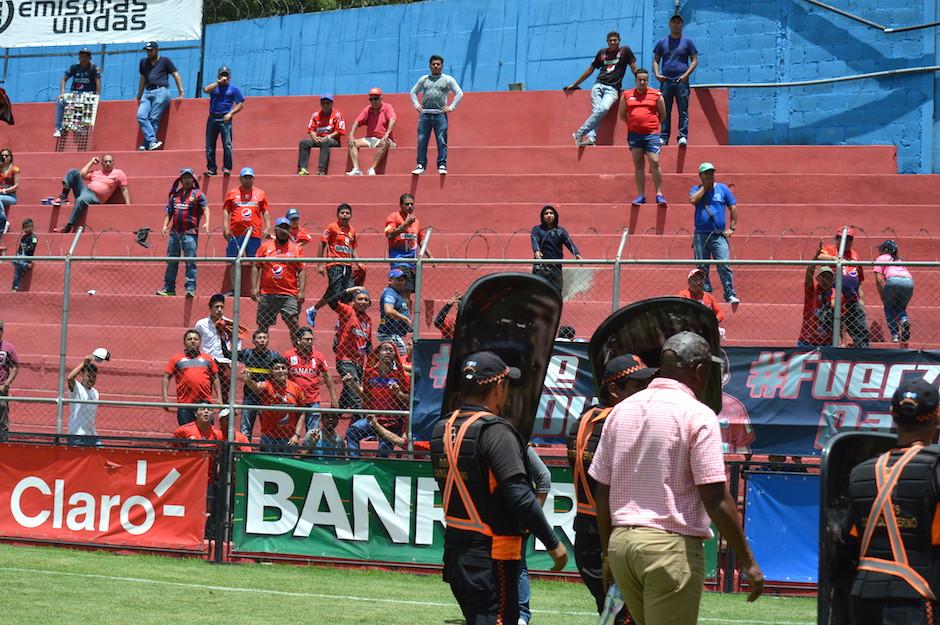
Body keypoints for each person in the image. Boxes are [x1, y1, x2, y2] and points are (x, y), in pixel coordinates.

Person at [589, 332, 763, 624]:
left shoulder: (621, 411)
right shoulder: (697, 414)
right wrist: (748, 560)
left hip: (622, 545)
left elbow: (602, 492)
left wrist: (608, 554)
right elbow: (715, 498)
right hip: (669, 548)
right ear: (700, 370)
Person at [430, 351, 567, 625]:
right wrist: (553, 544)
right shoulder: (496, 431)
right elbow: (519, 495)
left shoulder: (442, 428)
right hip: (493, 556)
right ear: (498, 387)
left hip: (457, 551)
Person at [568, 354, 656, 623]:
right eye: (637, 386)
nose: (646, 392)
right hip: (614, 533)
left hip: (586, 533)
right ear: (614, 390)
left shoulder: (584, 419)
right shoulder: (620, 424)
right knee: (629, 616)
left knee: (615, 614)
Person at [845, 377, 940, 625]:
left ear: (893, 415)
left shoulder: (860, 472)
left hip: (863, 598)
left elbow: (847, 543)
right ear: (937, 417)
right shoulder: (936, 468)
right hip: (917, 600)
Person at [565, 31, 637, 147]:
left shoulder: (625, 51)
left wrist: (642, 84)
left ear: (619, 41)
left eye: (615, 40)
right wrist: (575, 84)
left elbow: (634, 68)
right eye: (610, 40)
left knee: (603, 108)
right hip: (598, 86)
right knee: (597, 112)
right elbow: (590, 70)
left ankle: (580, 132)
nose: (613, 42)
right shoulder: (602, 53)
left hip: (612, 88)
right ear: (607, 41)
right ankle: (591, 139)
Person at [309, 285, 373, 414]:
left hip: (359, 363)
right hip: (345, 360)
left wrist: (371, 363)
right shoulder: (348, 311)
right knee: (355, 396)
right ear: (353, 301)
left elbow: (368, 344)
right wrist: (348, 291)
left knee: (347, 394)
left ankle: (334, 417)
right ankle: (359, 421)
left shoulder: (368, 320)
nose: (363, 302)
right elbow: (332, 302)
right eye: (360, 299)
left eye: (366, 300)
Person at [344, 341, 410, 456]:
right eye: (385, 349)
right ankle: (355, 462)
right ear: (378, 354)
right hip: (373, 419)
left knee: (382, 452)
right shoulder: (370, 374)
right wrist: (352, 384)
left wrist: (398, 393)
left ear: (395, 355)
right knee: (352, 433)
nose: (388, 352)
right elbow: (365, 395)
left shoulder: (401, 376)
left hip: (392, 424)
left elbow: (409, 399)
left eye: (391, 350)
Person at [690, 162, 739, 306]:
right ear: (700, 176)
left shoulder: (722, 189)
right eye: (706, 174)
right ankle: (705, 294)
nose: (710, 176)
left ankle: (730, 293)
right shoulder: (696, 189)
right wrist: (704, 188)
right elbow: (693, 200)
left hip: (718, 235)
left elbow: (733, 207)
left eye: (711, 173)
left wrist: (732, 228)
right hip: (701, 235)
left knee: (724, 264)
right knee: (702, 267)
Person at [156, 168, 209, 297]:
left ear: (193, 179)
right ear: (180, 180)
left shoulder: (198, 194)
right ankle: (169, 288)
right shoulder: (175, 195)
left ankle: (190, 288)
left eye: (189, 177)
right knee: (172, 261)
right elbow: (169, 212)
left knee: (190, 261)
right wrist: (164, 226)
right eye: (184, 178)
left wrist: (207, 222)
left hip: (190, 234)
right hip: (174, 233)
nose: (187, 180)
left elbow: (206, 208)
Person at [410, 54, 464, 175]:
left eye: (438, 64)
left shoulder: (447, 79)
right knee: (422, 141)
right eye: (433, 64)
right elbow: (413, 92)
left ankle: (442, 165)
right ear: (429, 66)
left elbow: (459, 93)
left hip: (440, 115)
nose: (435, 66)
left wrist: (451, 107)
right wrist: (416, 105)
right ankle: (421, 165)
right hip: (425, 115)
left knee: (441, 140)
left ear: (442, 66)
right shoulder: (424, 79)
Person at [307, 203, 360, 326]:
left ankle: (340, 317)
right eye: (342, 213)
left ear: (351, 215)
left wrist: (359, 262)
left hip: (347, 265)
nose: (345, 215)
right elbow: (322, 244)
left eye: (347, 213)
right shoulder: (332, 227)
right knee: (335, 293)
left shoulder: (352, 230)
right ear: (337, 215)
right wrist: (319, 264)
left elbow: (352, 249)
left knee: (347, 293)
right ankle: (316, 310)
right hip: (335, 264)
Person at [620, 69, 666, 207]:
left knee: (655, 161)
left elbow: (663, 114)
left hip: (651, 134)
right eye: (639, 80)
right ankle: (641, 195)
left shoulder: (656, 94)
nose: (642, 82)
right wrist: (633, 123)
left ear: (647, 80)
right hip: (634, 135)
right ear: (635, 81)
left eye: (645, 80)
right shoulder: (627, 95)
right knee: (639, 165)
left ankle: (659, 194)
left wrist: (652, 125)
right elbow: (622, 115)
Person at [50, 154, 130, 233]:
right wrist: (91, 162)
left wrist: (128, 205)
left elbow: (124, 189)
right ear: (102, 163)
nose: (108, 163)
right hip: (85, 190)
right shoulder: (97, 172)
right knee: (73, 172)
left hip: (95, 197)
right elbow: (82, 175)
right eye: (105, 161)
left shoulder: (118, 173)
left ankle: (68, 226)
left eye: (110, 161)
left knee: (81, 199)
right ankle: (63, 197)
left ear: (113, 162)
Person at [241, 356, 306, 451]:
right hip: (269, 437)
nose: (280, 371)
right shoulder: (267, 385)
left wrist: (297, 435)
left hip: (289, 437)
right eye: (276, 368)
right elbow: (256, 387)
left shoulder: (296, 388)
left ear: (287, 371)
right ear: (271, 372)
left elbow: (302, 412)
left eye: (283, 368)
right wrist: (248, 380)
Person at [253, 217, 306, 334]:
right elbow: (256, 266)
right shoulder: (265, 246)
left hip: (289, 293)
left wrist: (301, 291)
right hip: (267, 293)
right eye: (280, 228)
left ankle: (297, 346)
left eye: (286, 228)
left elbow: (301, 270)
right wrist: (254, 288)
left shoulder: (296, 249)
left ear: (290, 230)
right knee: (263, 326)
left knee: (293, 323)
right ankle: (262, 346)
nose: (283, 231)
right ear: (275, 230)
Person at [518, 445, 552, 625]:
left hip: (516, 517)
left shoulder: (521, 445)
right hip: (493, 516)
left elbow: (544, 477)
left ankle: (522, 614)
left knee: (518, 564)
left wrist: (532, 516)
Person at [818, 227, 868, 347]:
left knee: (860, 329)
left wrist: (862, 301)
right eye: (843, 238)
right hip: (834, 298)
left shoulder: (855, 255)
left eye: (850, 239)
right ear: (837, 239)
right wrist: (834, 259)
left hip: (851, 299)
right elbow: (820, 257)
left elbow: (859, 280)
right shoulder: (830, 250)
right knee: (833, 326)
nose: (846, 241)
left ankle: (862, 351)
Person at [653, 14, 698, 147]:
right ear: (670, 24)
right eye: (674, 22)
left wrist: (686, 75)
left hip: (681, 81)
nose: (676, 24)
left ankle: (683, 136)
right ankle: (663, 137)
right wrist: (657, 74)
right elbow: (656, 60)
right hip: (666, 81)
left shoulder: (688, 42)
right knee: (665, 109)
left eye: (678, 22)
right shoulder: (662, 42)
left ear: (682, 25)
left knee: (683, 110)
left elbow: (694, 60)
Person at [162, 329, 222, 426]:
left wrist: (219, 398)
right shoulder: (176, 358)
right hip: (185, 404)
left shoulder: (208, 358)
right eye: (189, 339)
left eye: (195, 339)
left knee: (207, 433)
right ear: (184, 342)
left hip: (205, 404)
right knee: (187, 433)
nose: (193, 341)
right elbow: (166, 377)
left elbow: (215, 378)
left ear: (200, 342)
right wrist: (165, 398)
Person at [284, 326, 338, 433]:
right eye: (307, 339)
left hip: (312, 400)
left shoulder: (318, 356)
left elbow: (327, 377)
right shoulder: (288, 356)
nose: (310, 342)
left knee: (313, 433)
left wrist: (334, 397)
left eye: (311, 339)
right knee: (291, 431)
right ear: (298, 340)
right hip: (294, 400)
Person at [136, 41, 183, 151]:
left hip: (161, 91)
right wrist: (139, 95)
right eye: (147, 51)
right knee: (141, 115)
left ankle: (147, 143)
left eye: (151, 50)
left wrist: (181, 92)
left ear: (157, 50)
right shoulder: (143, 62)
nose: (149, 53)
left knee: (153, 117)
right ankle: (151, 142)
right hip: (147, 92)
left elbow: (175, 74)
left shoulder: (165, 61)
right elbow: (142, 79)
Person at [193, 293, 243, 395]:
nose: (219, 309)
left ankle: (224, 404)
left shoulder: (230, 323)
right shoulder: (201, 324)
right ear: (210, 308)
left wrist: (234, 358)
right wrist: (197, 357)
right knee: (205, 388)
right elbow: (196, 338)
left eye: (221, 307)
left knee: (225, 388)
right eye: (216, 307)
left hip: (224, 360)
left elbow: (238, 341)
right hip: (207, 360)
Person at [237, 328, 281, 440]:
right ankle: (245, 449)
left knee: (268, 429)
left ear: (268, 340)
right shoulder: (247, 353)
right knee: (245, 429)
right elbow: (228, 354)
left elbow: (286, 367)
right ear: (254, 341)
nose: (262, 340)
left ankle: (266, 448)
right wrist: (225, 339)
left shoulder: (274, 356)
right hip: (249, 397)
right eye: (259, 338)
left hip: (267, 398)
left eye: (265, 338)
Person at [202, 66, 245, 176]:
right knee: (210, 145)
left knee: (227, 144)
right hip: (212, 117)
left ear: (230, 77)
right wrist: (218, 82)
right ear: (218, 76)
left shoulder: (233, 89)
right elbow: (206, 90)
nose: (224, 77)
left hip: (225, 118)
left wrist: (230, 113)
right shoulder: (214, 87)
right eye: (222, 74)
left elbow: (240, 104)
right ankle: (212, 168)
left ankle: (227, 168)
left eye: (226, 75)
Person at [531, 205, 582, 294]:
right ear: (542, 216)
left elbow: (569, 243)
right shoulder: (537, 229)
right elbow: (535, 239)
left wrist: (577, 254)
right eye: (546, 213)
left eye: (551, 213)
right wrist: (537, 251)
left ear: (555, 215)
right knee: (538, 291)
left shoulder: (561, 231)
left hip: (556, 266)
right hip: (541, 266)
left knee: (556, 291)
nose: (549, 215)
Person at [347, 88, 397, 176]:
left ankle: (372, 168)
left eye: (376, 98)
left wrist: (387, 134)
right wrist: (351, 134)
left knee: (384, 143)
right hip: (370, 139)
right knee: (352, 143)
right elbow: (357, 121)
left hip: (383, 139)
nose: (373, 101)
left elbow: (392, 120)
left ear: (381, 98)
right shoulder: (368, 109)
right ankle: (356, 169)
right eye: (371, 99)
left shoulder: (387, 107)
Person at [222, 166, 270, 258]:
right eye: (245, 177)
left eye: (249, 177)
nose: (247, 180)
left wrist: (268, 227)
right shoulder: (232, 193)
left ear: (253, 179)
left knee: (254, 261)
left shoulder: (260, 193)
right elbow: (226, 210)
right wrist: (225, 227)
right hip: (236, 233)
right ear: (240, 179)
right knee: (233, 260)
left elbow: (265, 211)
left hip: (254, 233)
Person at [385, 193, 428, 292]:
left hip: (413, 263)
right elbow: (389, 235)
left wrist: (430, 257)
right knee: (402, 292)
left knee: (409, 292)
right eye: (407, 204)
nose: (409, 206)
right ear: (400, 205)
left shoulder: (416, 221)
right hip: (399, 261)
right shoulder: (393, 217)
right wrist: (405, 224)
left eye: (412, 204)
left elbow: (421, 240)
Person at [54, 48, 101, 138]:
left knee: (86, 103)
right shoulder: (74, 67)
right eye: (81, 57)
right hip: (75, 94)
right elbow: (63, 79)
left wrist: (97, 96)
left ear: (89, 58)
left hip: (88, 95)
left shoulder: (94, 68)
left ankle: (83, 127)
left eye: (85, 57)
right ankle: (59, 128)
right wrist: (62, 93)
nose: (83, 59)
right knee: (60, 101)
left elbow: (98, 83)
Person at [874, 239, 914, 345]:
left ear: (885, 250)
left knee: (889, 308)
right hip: (908, 281)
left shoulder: (881, 258)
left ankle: (895, 334)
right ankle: (904, 320)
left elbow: (879, 279)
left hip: (893, 280)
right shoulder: (898, 260)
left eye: (881, 249)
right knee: (900, 307)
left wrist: (883, 295)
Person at [798, 242, 836, 348]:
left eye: (828, 277)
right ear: (817, 278)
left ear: (833, 279)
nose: (825, 280)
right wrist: (815, 257)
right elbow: (808, 275)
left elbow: (841, 321)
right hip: (807, 340)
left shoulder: (836, 294)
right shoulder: (812, 291)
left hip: (827, 342)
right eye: (822, 277)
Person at [297, 94, 345, 176]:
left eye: (327, 103)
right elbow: (311, 129)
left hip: (332, 140)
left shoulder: (337, 115)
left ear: (332, 103)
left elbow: (339, 131)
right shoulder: (316, 115)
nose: (325, 105)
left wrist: (327, 137)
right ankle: (303, 168)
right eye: (323, 103)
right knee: (303, 143)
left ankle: (321, 170)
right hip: (319, 139)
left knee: (325, 142)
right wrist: (314, 137)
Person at [66, 354, 100, 446]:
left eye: (94, 377)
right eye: (89, 376)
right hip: (77, 435)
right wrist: (84, 363)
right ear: (82, 375)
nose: (92, 379)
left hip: (91, 435)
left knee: (102, 453)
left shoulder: (95, 393)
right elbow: (69, 378)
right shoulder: (77, 388)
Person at [377, 269, 412, 356]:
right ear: (390, 280)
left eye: (403, 280)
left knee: (398, 359)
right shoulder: (390, 293)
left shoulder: (395, 293)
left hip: (394, 334)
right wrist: (406, 319)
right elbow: (388, 310)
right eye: (398, 280)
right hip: (389, 334)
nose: (401, 282)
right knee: (401, 358)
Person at [0, 321, 18, 438]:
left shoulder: (8, 348)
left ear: (2, 332)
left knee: (2, 415)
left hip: (1, 389)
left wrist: (7, 384)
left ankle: (3, 442)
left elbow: (15, 366)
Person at [11, 218, 36, 292]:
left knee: (16, 263)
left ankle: (15, 287)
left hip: (27, 257)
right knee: (16, 266)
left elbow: (32, 248)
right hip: (21, 257)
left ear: (32, 227)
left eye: (29, 227)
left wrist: (26, 248)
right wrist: (18, 253)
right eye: (25, 227)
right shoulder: (23, 237)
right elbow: (20, 248)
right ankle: (15, 287)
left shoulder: (34, 237)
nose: (27, 229)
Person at [0, 147, 20, 239]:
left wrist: (4, 191)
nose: (4, 157)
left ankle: (4, 221)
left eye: (6, 155)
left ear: (10, 157)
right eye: (2, 156)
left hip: (10, 196)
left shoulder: (15, 169)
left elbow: (16, 186)